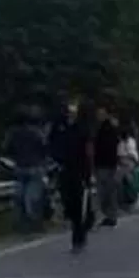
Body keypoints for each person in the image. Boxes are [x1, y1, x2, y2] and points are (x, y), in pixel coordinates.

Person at [50, 100, 93, 253]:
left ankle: (79, 236)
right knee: (68, 202)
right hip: (64, 170)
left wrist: (88, 174)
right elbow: (51, 145)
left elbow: (88, 152)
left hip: (80, 170)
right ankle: (78, 225)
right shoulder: (59, 127)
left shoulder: (83, 128)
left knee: (79, 204)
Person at [2, 104, 50, 233]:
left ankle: (23, 224)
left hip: (19, 168)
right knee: (33, 197)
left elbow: (6, 149)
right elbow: (44, 148)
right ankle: (36, 223)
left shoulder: (11, 133)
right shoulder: (36, 132)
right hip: (35, 167)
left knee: (20, 197)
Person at [91, 105, 122, 228]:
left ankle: (108, 215)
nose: (100, 116)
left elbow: (110, 147)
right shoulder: (104, 129)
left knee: (104, 192)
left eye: (102, 114)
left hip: (105, 164)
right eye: (99, 114)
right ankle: (110, 216)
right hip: (106, 163)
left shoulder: (104, 130)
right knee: (108, 192)